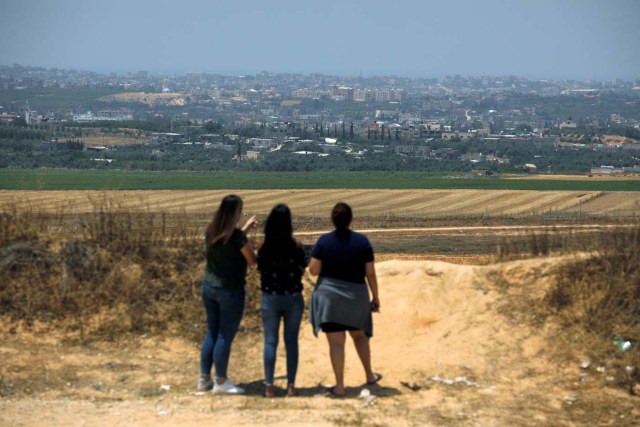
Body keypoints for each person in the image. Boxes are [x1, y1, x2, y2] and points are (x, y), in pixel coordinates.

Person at [308, 202, 381, 397]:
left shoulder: (324, 242)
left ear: (332, 219)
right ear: (350, 219)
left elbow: (313, 270)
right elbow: (370, 273)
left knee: (336, 344)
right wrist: (376, 296)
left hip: (330, 299)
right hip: (356, 298)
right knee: (360, 337)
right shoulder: (362, 242)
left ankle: (340, 386)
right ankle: (369, 375)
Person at [197, 194, 257, 394]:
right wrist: (247, 238)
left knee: (212, 332)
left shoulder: (211, 231)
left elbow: (227, 241)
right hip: (230, 290)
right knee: (225, 335)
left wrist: (246, 229)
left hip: (209, 287)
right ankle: (221, 381)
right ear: (235, 213)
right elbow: (252, 261)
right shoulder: (238, 237)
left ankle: (204, 378)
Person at [257, 204, 307, 397]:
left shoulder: (264, 247)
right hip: (292, 297)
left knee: (270, 342)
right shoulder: (296, 246)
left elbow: (260, 268)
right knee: (291, 342)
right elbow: (303, 267)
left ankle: (269, 385)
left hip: (270, 297)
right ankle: (291, 386)